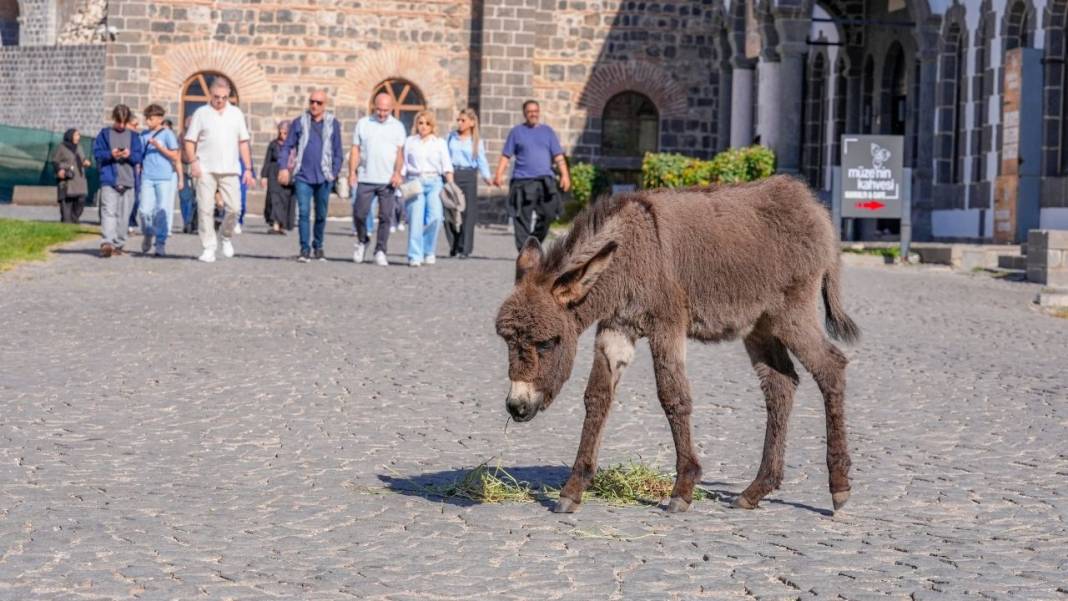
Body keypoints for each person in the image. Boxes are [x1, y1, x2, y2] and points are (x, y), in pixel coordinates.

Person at [183, 77, 256, 263]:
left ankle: (225, 236)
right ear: (211, 95)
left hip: (231, 168)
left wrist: (248, 168)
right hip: (205, 168)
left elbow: (243, 142)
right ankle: (209, 246)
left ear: (228, 96)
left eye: (224, 97)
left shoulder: (236, 114)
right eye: (216, 97)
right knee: (205, 208)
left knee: (234, 208)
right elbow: (190, 140)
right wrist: (193, 162)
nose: (220, 100)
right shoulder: (201, 113)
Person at [492, 99, 572, 250]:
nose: (533, 114)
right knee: (522, 220)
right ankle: (525, 253)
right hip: (522, 182)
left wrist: (565, 175)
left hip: (545, 182)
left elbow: (558, 156)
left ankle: (533, 245)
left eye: (536, 111)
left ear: (539, 112)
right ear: (524, 113)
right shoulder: (516, 132)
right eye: (530, 112)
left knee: (549, 215)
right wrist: (498, 174)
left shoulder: (548, 132)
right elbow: (506, 155)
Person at [279, 89, 344, 262]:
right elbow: (287, 146)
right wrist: (283, 167)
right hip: (303, 175)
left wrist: (335, 172)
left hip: (324, 176)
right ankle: (304, 248)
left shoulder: (333, 124)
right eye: (312, 102)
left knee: (321, 214)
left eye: (319, 103)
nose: (314, 105)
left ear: (325, 105)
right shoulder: (299, 122)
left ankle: (318, 245)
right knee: (304, 213)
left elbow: (338, 151)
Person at [349, 91, 406, 265]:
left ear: (391, 109)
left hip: (387, 179)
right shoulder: (363, 124)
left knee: (386, 217)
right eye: (379, 109)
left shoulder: (398, 127)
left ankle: (380, 250)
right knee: (359, 213)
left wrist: (397, 173)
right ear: (374, 107)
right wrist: (352, 172)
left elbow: (400, 153)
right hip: (366, 177)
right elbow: (355, 149)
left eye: (386, 110)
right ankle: (362, 240)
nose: (382, 113)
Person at [402, 110, 454, 267]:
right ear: (416, 124)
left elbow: (447, 166)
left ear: (432, 126)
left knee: (436, 217)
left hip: (434, 182)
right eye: (420, 123)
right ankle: (414, 255)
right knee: (415, 220)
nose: (423, 126)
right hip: (415, 181)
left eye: (427, 123)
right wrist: (400, 181)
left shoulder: (439, 143)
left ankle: (428, 250)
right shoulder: (410, 141)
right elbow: (403, 164)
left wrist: (451, 186)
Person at [92, 104, 144, 257]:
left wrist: (129, 155)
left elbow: (139, 157)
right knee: (108, 212)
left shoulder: (134, 137)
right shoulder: (104, 134)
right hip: (109, 179)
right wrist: (110, 154)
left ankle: (118, 244)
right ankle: (107, 242)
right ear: (113, 118)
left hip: (128, 181)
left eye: (124, 122)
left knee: (124, 215)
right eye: (118, 122)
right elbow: (97, 153)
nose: (121, 125)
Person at [446, 108, 492, 258]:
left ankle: (465, 248)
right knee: (449, 211)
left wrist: (487, 176)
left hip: (469, 175)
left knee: (468, 213)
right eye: (458, 120)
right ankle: (454, 244)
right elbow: (444, 155)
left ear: (472, 123)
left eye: (463, 120)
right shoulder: (451, 137)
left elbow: (481, 160)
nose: (459, 123)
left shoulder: (476, 141)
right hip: (452, 174)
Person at [138, 104, 182, 256]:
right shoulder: (143, 135)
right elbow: (139, 155)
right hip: (147, 177)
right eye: (147, 118)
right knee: (144, 210)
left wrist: (159, 147)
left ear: (160, 119)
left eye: (151, 118)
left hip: (164, 177)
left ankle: (160, 243)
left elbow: (175, 156)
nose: (148, 121)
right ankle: (148, 233)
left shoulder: (167, 134)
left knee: (161, 211)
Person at [51, 128, 91, 224]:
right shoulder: (62, 147)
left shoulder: (79, 147)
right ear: (70, 136)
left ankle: (74, 217)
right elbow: (55, 161)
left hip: (79, 179)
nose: (78, 137)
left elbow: (83, 159)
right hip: (67, 179)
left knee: (81, 200)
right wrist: (60, 171)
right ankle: (67, 220)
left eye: (78, 135)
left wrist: (86, 162)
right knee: (66, 203)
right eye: (76, 135)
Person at [261, 120, 294, 235]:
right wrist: (264, 176)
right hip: (274, 173)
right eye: (281, 132)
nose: (282, 135)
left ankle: (281, 225)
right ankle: (275, 225)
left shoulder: (294, 145)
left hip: (288, 174)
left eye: (285, 133)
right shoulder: (273, 144)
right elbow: (267, 161)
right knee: (274, 199)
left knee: (285, 199)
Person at [178, 116, 198, 234]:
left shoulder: (200, 137)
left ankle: (193, 223)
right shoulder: (181, 137)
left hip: (197, 169)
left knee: (196, 198)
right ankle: (187, 222)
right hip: (184, 169)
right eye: (188, 123)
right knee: (185, 197)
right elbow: (178, 152)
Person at [126, 116, 143, 234]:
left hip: (135, 172)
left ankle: (130, 223)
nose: (137, 127)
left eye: (137, 125)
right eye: (134, 124)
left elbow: (140, 153)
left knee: (136, 199)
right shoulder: (120, 136)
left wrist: (139, 164)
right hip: (123, 170)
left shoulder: (137, 137)